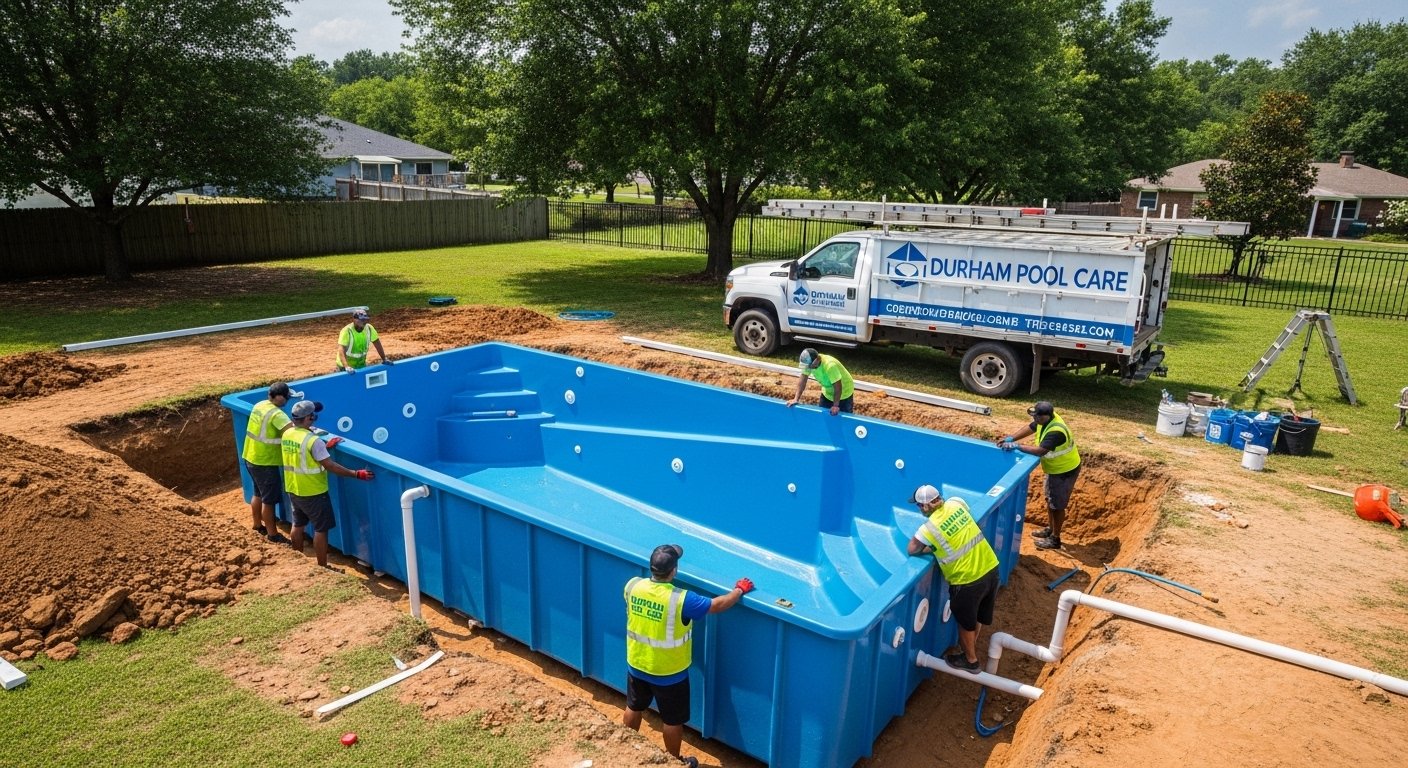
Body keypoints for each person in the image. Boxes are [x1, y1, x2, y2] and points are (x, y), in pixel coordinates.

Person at [622, 544, 754, 768]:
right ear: (674, 571)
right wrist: (739, 590)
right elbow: (717, 605)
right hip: (668, 673)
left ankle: (622, 745)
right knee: (672, 720)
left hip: (637, 662)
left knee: (634, 706)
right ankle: (673, 762)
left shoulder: (633, 585)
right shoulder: (682, 599)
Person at [905, 484, 1000, 674]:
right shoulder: (956, 503)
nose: (919, 509)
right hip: (991, 568)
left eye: (919, 506)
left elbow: (912, 549)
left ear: (924, 507)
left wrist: (930, 547)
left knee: (965, 621)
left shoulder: (928, 528)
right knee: (977, 615)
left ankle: (971, 661)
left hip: (967, 580)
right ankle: (971, 645)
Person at [280, 399, 375, 568]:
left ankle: (298, 560)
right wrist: (356, 474)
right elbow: (330, 466)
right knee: (320, 530)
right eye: (313, 414)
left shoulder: (288, 434)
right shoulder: (312, 440)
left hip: (293, 488)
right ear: (309, 418)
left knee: (298, 524)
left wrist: (325, 448)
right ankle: (322, 567)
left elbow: (303, 456)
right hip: (313, 491)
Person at [995, 401, 1082, 550]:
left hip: (1064, 471)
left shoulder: (1056, 432)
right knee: (1050, 500)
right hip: (1055, 469)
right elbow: (1031, 427)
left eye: (1037, 417)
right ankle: (1050, 529)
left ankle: (1055, 539)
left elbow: (1040, 451)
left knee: (1057, 506)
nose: (1035, 420)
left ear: (1046, 416)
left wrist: (1017, 446)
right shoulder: (1044, 420)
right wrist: (1012, 438)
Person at [241, 382, 294, 544]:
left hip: (250, 456)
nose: (287, 400)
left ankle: (258, 526)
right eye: (286, 397)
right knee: (269, 500)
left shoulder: (260, 405)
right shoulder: (277, 415)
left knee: (258, 493)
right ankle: (272, 534)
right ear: (278, 397)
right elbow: (293, 433)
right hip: (265, 462)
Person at [785, 348, 854, 415]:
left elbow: (838, 387)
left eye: (810, 366)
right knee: (822, 417)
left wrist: (835, 405)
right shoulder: (809, 364)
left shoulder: (830, 366)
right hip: (827, 392)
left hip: (844, 392)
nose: (809, 368)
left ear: (817, 360)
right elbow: (803, 379)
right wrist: (796, 398)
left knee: (843, 421)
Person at [336, 308, 392, 373]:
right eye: (361, 320)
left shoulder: (369, 328)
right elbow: (341, 350)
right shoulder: (347, 331)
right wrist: (346, 366)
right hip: (345, 367)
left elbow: (377, 344)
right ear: (354, 320)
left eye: (365, 320)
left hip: (360, 365)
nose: (364, 322)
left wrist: (384, 358)